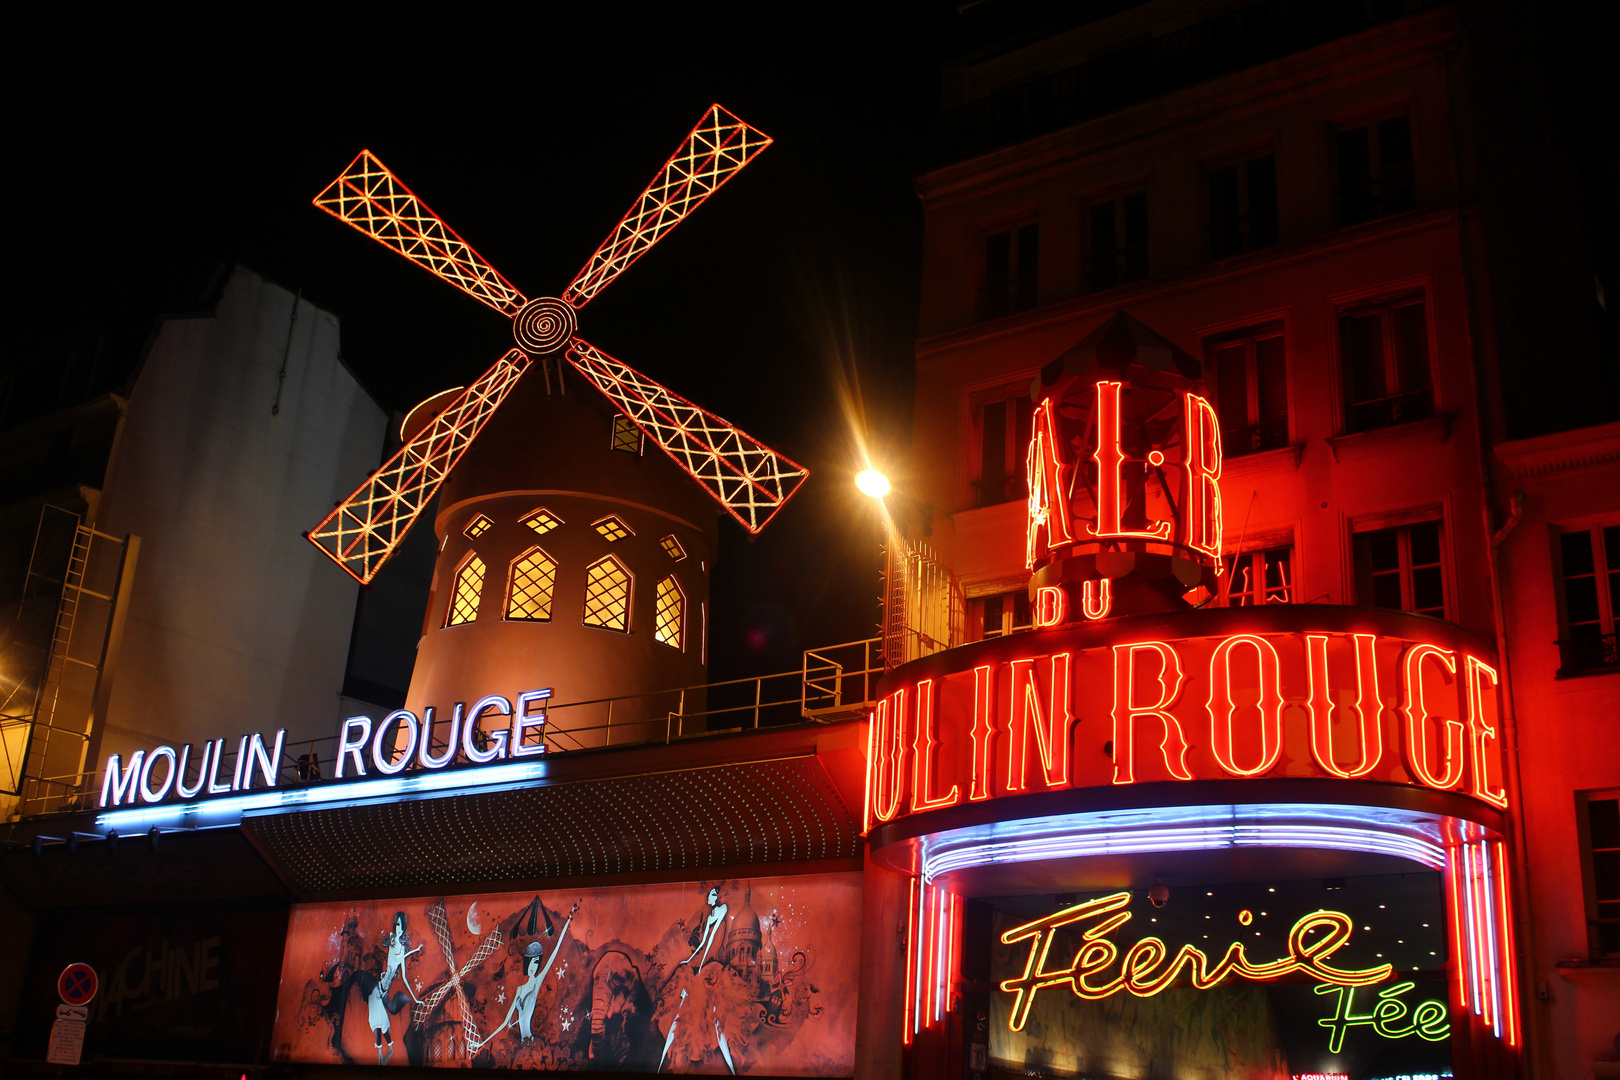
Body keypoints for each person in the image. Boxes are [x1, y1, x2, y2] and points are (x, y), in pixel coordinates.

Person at [367, 911, 422, 1064]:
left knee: (379, 1020)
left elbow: (404, 977)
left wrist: (416, 999)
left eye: (400, 925)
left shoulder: (402, 949)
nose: (398, 927)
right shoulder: (392, 941)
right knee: (378, 1020)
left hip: (382, 990)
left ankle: (384, 1055)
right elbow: (394, 958)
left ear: (403, 928)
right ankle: (383, 1056)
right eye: (396, 924)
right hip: (379, 988)